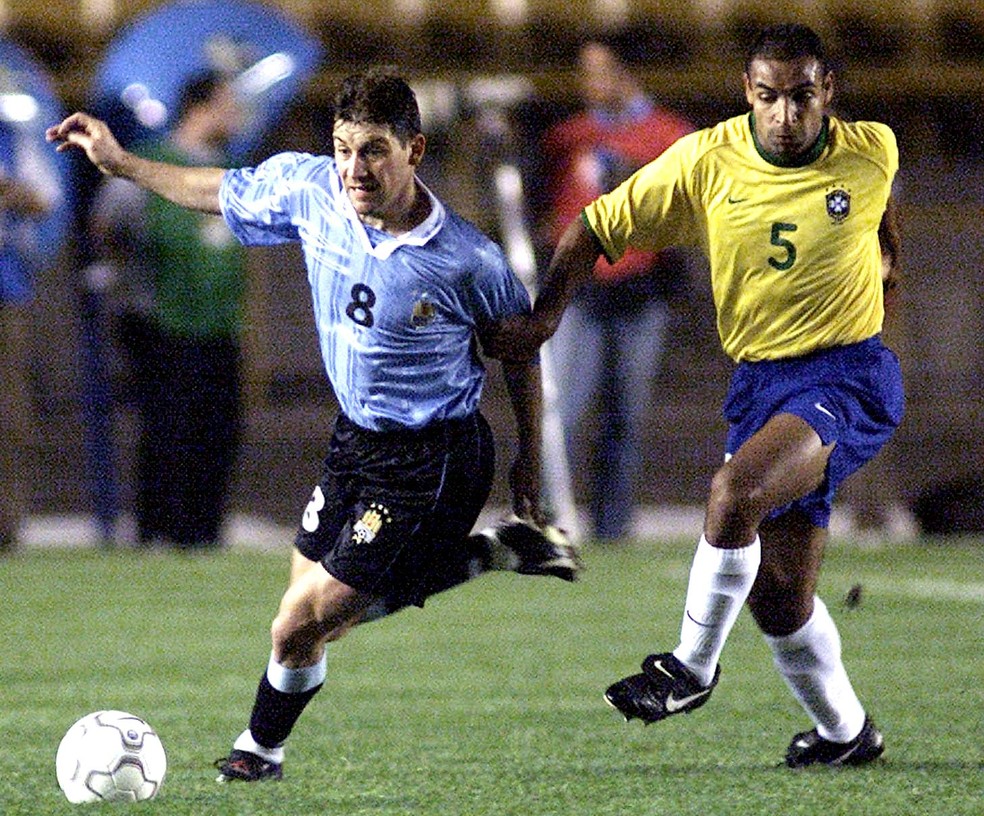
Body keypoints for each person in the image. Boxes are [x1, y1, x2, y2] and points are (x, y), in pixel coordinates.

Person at [48, 68, 580, 781]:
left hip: (435, 461)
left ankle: (258, 753)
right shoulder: (309, 190)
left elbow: (521, 355)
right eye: (343, 149)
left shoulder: (465, 259)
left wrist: (528, 464)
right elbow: (213, 190)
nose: (355, 169)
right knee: (303, 618)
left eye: (374, 151)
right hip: (355, 441)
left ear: (414, 151)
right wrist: (122, 163)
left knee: (301, 624)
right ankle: (493, 554)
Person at [486, 23, 903, 767]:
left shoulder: (869, 148)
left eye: (801, 97)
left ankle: (691, 667)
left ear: (827, 93)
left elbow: (882, 222)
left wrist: (885, 283)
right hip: (761, 384)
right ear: (749, 92)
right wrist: (548, 313)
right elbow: (595, 224)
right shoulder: (708, 160)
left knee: (732, 494)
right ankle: (846, 734)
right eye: (769, 97)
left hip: (846, 376)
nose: (784, 116)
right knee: (779, 597)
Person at [539, 37, 695, 541]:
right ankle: (545, 523)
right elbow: (545, 205)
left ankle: (613, 530)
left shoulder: (671, 137)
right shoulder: (567, 138)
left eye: (600, 71)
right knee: (560, 413)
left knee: (625, 419)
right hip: (581, 295)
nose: (590, 83)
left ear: (627, 74)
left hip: (639, 296)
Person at [89, 72, 248, 550]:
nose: (236, 114)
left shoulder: (235, 168)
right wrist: (130, 275)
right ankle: (157, 533)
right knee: (168, 431)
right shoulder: (151, 160)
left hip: (219, 324)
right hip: (162, 321)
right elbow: (105, 224)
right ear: (200, 107)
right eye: (227, 103)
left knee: (219, 431)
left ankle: (204, 535)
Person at [0, 120, 63, 553]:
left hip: (6, 288)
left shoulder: (12, 135)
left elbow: (46, 200)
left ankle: (6, 525)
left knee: (8, 415)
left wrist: (10, 191)